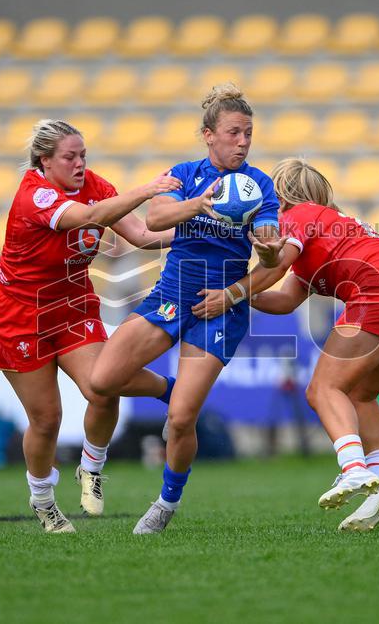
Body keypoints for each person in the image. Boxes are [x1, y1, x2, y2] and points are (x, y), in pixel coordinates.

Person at [192, 158, 379, 531]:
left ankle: (353, 469)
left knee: (322, 389)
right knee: (360, 394)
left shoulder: (298, 215)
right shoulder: (329, 226)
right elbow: (285, 300)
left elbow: (275, 267)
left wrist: (230, 294)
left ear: (280, 197)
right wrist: (232, 292)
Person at [89, 84, 280, 534]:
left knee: (180, 419)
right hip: (172, 293)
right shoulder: (184, 175)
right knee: (102, 380)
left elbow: (270, 250)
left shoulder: (258, 185)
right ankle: (169, 388)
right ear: (208, 135)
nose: (243, 142)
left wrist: (268, 249)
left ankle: (165, 503)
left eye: (248, 134)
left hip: (220, 305)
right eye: (233, 133)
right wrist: (200, 204)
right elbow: (154, 219)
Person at [0, 118, 182, 533]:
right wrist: (147, 190)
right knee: (47, 419)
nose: (79, 164)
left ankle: (91, 468)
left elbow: (141, 235)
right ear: (45, 160)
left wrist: (197, 231)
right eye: (69, 157)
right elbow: (88, 217)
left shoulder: (95, 185)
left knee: (102, 386)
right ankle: (43, 502)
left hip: (72, 305)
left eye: (83, 156)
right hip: (19, 314)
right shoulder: (36, 195)